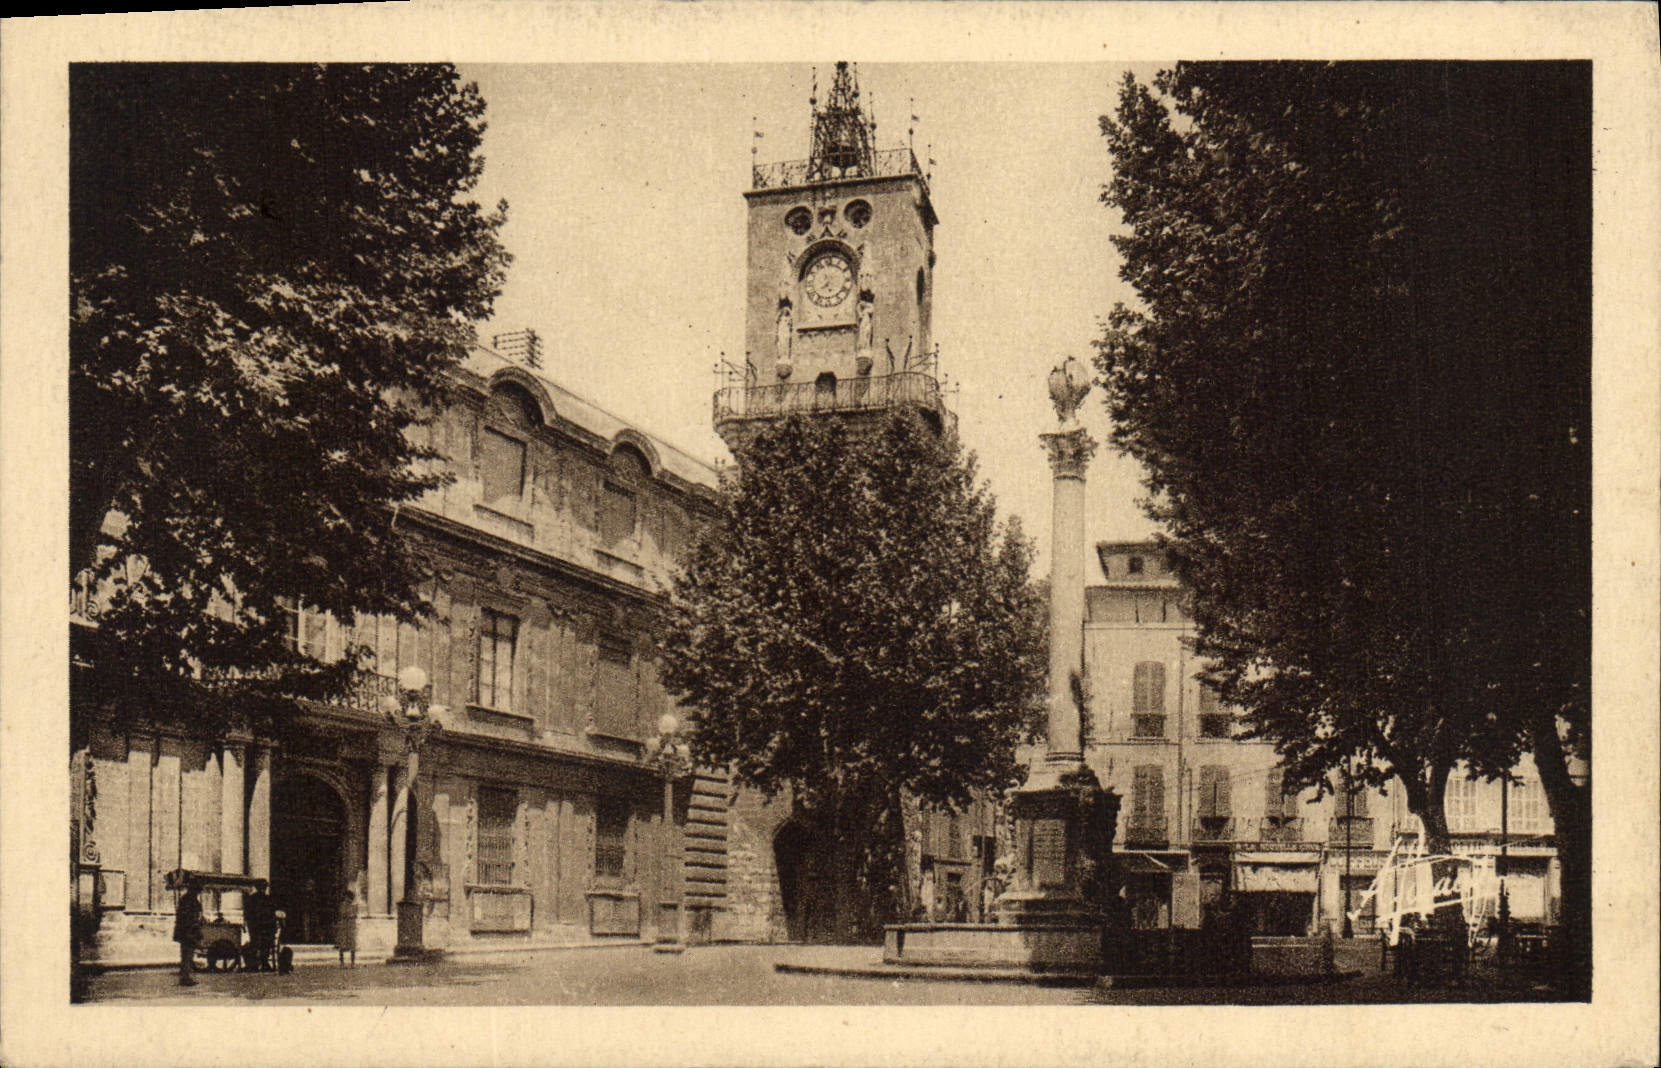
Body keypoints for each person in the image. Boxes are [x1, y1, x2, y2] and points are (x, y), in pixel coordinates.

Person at [173, 883, 203, 986]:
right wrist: (195, 927)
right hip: (188, 931)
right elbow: (190, 917)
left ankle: (185, 976)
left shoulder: (186, 899)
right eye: (198, 891)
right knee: (187, 955)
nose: (198, 893)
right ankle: (186, 978)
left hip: (185, 931)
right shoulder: (190, 900)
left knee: (186, 954)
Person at [244, 884, 276, 972]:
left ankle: (254, 964)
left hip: (256, 927)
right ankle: (264, 963)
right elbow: (272, 913)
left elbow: (246, 914)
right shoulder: (268, 899)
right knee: (265, 944)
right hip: (264, 927)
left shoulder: (251, 899)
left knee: (255, 944)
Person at [334, 888, 359, 967]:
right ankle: (342, 963)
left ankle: (352, 963)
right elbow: (342, 913)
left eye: (349, 897)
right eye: (346, 897)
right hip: (343, 926)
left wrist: (350, 915)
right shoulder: (342, 905)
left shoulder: (354, 906)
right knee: (342, 945)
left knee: (352, 946)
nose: (348, 899)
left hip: (351, 927)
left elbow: (354, 914)